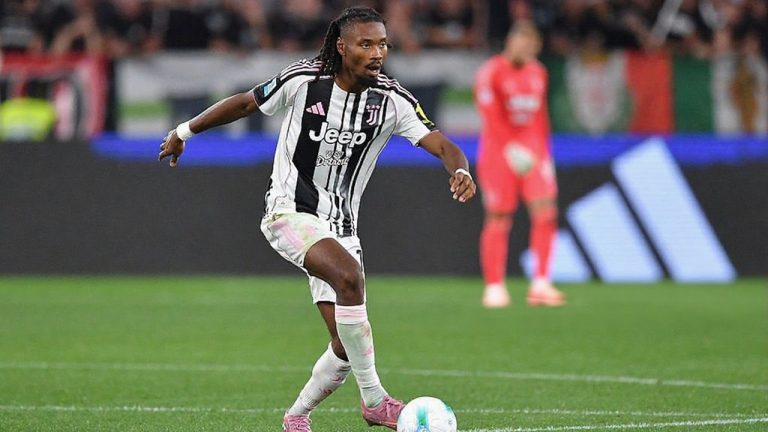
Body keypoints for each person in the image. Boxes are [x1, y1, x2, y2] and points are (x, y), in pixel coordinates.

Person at [158, 6, 475, 431]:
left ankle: (296, 415)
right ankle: (375, 401)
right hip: (289, 211)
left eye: (383, 44)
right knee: (349, 277)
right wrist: (183, 132)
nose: (377, 53)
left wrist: (460, 170)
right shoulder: (303, 80)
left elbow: (443, 145)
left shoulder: (392, 100)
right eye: (366, 44)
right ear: (342, 47)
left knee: (345, 344)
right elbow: (245, 103)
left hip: (342, 227)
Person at [473, 21, 565, 308]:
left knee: (546, 212)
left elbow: (540, 117)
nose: (525, 51)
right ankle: (494, 287)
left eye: (530, 47)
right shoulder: (490, 72)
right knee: (499, 217)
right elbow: (490, 115)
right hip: (498, 153)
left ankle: (541, 283)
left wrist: (544, 153)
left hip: (533, 152)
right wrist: (510, 148)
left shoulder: (538, 72)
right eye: (520, 44)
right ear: (510, 43)